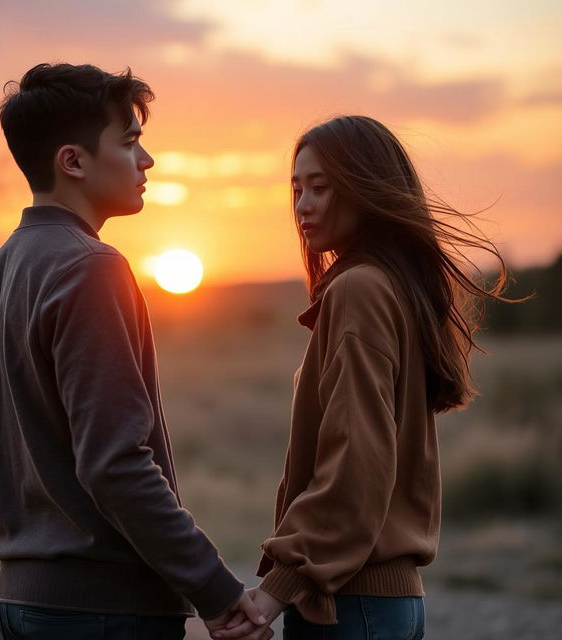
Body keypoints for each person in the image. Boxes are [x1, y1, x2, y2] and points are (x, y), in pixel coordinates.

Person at [0, 62, 269, 640]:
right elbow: (116, 465)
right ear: (73, 161)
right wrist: (217, 591)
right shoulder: (91, 268)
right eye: (129, 142)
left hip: (23, 601)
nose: (146, 161)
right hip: (102, 611)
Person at [211, 115, 510, 640]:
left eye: (320, 188)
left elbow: (357, 464)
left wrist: (277, 590)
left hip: (353, 605)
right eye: (297, 188)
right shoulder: (393, 285)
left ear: (366, 188)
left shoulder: (361, 290)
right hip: (385, 603)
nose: (303, 204)